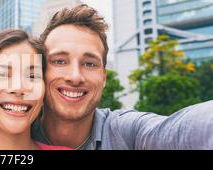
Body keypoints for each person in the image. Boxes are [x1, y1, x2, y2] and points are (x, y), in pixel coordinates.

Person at [32, 4, 213, 150]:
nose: (75, 76)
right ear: (39, 72)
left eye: (89, 64)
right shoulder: (13, 132)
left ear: (103, 78)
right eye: (60, 61)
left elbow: (176, 132)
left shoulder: (127, 133)